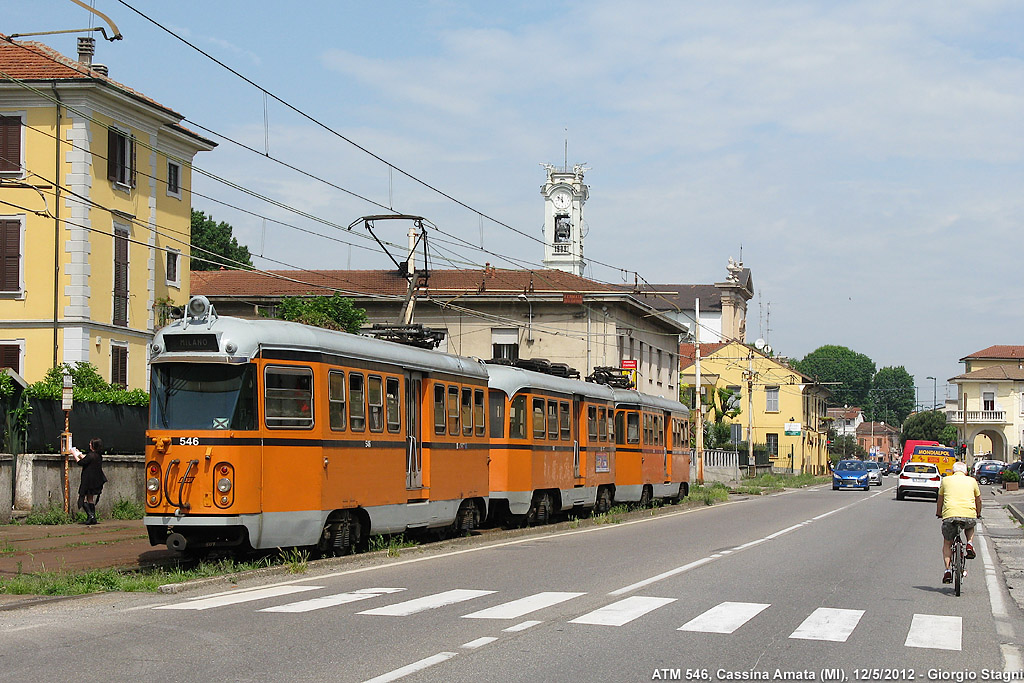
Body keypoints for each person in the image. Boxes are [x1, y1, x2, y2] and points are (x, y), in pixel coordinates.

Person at [936, 460, 982, 584]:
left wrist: (939, 513)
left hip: (950, 516)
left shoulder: (946, 480)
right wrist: (978, 513)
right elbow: (978, 500)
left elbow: (940, 500)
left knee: (947, 542)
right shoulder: (972, 481)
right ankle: (970, 544)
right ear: (966, 472)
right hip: (968, 515)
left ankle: (947, 571)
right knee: (970, 525)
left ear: (953, 471)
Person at [71, 438, 107, 525]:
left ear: (93, 445)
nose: (89, 445)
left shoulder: (91, 455)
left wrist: (74, 454)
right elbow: (86, 459)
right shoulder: (97, 456)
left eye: (90, 444)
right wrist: (79, 454)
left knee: (83, 498)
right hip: (95, 480)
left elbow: (81, 462)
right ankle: (92, 517)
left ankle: (90, 515)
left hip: (88, 480)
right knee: (90, 498)